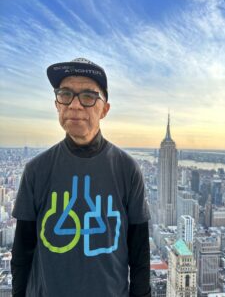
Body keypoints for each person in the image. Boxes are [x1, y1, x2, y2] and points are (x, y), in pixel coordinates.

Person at [11, 58, 151, 297]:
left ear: (104, 109)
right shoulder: (36, 170)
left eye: (88, 97)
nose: (75, 105)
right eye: (65, 94)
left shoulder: (127, 169)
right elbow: (22, 253)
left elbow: (140, 256)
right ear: (57, 104)